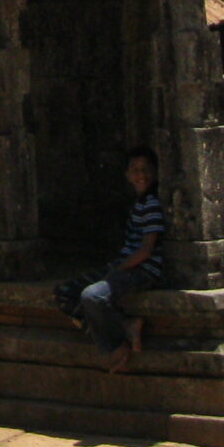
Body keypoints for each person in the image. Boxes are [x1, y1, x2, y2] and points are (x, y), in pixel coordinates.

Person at [55, 147, 167, 373]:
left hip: (141, 270)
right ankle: (124, 326)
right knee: (65, 293)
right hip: (123, 266)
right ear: (127, 175)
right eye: (135, 170)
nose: (140, 175)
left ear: (155, 172)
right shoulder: (139, 204)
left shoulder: (152, 204)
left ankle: (113, 348)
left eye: (145, 170)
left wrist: (117, 270)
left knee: (92, 295)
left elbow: (146, 250)